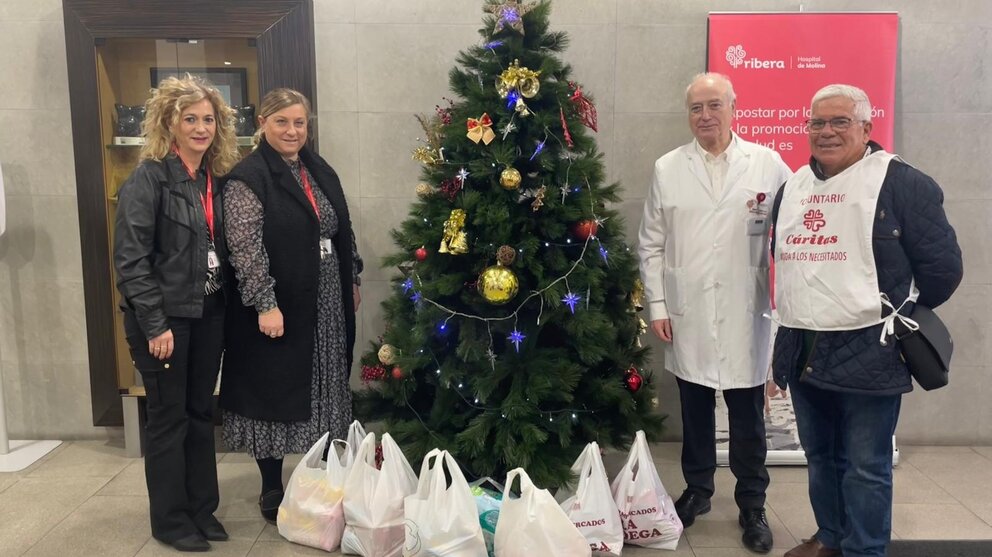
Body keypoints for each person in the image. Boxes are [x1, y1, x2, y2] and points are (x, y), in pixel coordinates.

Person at [771, 84, 962, 557]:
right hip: (805, 346)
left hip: (870, 347)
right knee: (819, 457)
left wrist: (895, 313)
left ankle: (865, 550)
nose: (827, 132)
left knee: (865, 463)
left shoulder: (903, 184)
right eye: (817, 122)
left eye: (840, 122)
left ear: (866, 128)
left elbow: (943, 270)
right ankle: (831, 538)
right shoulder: (792, 187)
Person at [638, 73, 791, 554]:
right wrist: (658, 305)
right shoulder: (668, 167)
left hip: (749, 306)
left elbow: (789, 239)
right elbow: (651, 244)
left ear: (733, 107)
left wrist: (787, 308)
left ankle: (752, 502)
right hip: (689, 310)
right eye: (696, 108)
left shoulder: (768, 165)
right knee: (696, 406)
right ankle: (698, 490)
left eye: (714, 105)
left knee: (747, 412)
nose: (705, 115)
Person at [219, 88, 363, 523]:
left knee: (324, 382)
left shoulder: (318, 169)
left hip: (325, 297)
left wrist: (351, 274)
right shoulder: (248, 177)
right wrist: (265, 303)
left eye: (299, 122)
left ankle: (320, 475)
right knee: (274, 388)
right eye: (282, 121)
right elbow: (244, 248)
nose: (292, 130)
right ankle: (270, 485)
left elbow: (342, 226)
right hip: (278, 300)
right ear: (263, 122)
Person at [114, 75, 240, 552]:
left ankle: (201, 511)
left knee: (199, 412)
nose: (201, 127)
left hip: (208, 315)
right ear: (169, 122)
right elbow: (130, 260)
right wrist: (154, 324)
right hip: (164, 320)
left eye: (209, 119)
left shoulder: (214, 180)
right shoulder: (148, 179)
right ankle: (169, 520)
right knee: (168, 419)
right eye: (190, 119)